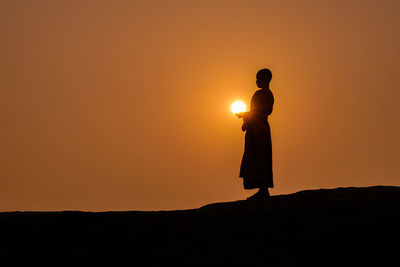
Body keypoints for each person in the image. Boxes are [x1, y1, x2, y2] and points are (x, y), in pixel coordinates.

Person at [236, 68, 274, 200]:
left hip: (259, 130)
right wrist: (246, 117)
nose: (256, 81)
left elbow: (263, 112)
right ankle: (262, 189)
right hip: (256, 129)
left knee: (260, 157)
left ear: (265, 80)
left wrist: (245, 115)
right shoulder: (264, 94)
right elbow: (256, 112)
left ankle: (263, 190)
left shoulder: (265, 95)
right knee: (255, 158)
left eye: (258, 79)